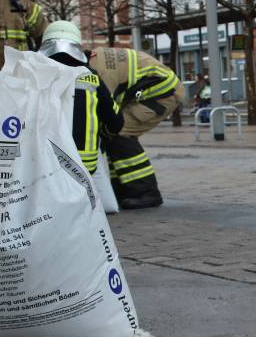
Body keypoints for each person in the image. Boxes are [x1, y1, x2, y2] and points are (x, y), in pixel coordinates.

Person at [39, 21, 185, 210]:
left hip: (163, 93)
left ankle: (145, 192)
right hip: (153, 88)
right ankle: (122, 189)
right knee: (112, 134)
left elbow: (108, 115)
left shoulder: (95, 73)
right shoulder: (90, 61)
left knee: (120, 131)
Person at [37, 21, 122, 175]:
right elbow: (116, 123)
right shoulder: (91, 78)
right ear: (77, 45)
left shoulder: (31, 75)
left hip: (43, 166)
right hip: (84, 169)